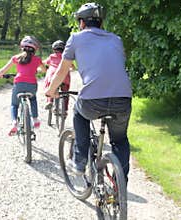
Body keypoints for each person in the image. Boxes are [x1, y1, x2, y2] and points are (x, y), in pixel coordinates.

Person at [45, 2, 132, 182]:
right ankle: (119, 184)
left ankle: (80, 160)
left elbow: (62, 70)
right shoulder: (116, 39)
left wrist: (51, 90)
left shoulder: (76, 38)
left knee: (79, 113)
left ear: (82, 23)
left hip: (92, 101)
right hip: (122, 99)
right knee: (120, 140)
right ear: (101, 23)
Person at [0, 35, 47, 136]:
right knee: (33, 99)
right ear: (35, 49)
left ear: (22, 47)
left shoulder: (16, 58)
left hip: (19, 84)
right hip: (32, 85)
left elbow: (3, 70)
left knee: (14, 105)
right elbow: (44, 70)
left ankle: (14, 122)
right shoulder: (37, 59)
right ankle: (35, 118)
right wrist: (37, 70)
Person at [43, 40, 74, 112]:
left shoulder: (51, 56)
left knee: (50, 87)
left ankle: (49, 101)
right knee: (65, 92)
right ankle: (65, 109)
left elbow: (44, 62)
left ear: (54, 49)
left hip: (53, 75)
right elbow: (72, 67)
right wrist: (71, 69)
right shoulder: (66, 57)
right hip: (64, 76)